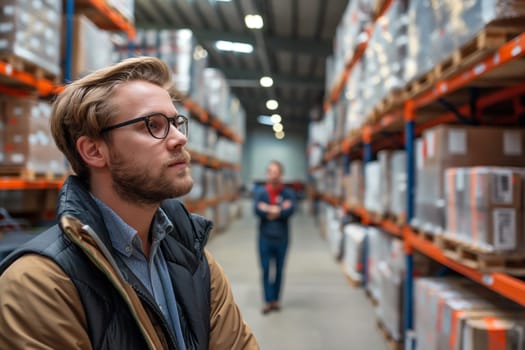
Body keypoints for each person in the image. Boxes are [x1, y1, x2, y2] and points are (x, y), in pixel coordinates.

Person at [0, 57, 259, 350]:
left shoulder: (195, 259)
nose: (178, 139)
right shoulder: (40, 285)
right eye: (153, 125)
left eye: (175, 123)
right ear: (95, 151)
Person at [253, 160, 295, 314]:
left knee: (278, 270)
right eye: (271, 172)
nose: (273, 175)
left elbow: (290, 211)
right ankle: (267, 301)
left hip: (282, 238)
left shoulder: (288, 193)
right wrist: (278, 209)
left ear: (281, 175)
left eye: (276, 172)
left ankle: (276, 300)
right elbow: (257, 211)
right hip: (265, 238)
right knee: (265, 270)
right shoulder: (261, 193)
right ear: (267, 174)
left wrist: (269, 209)